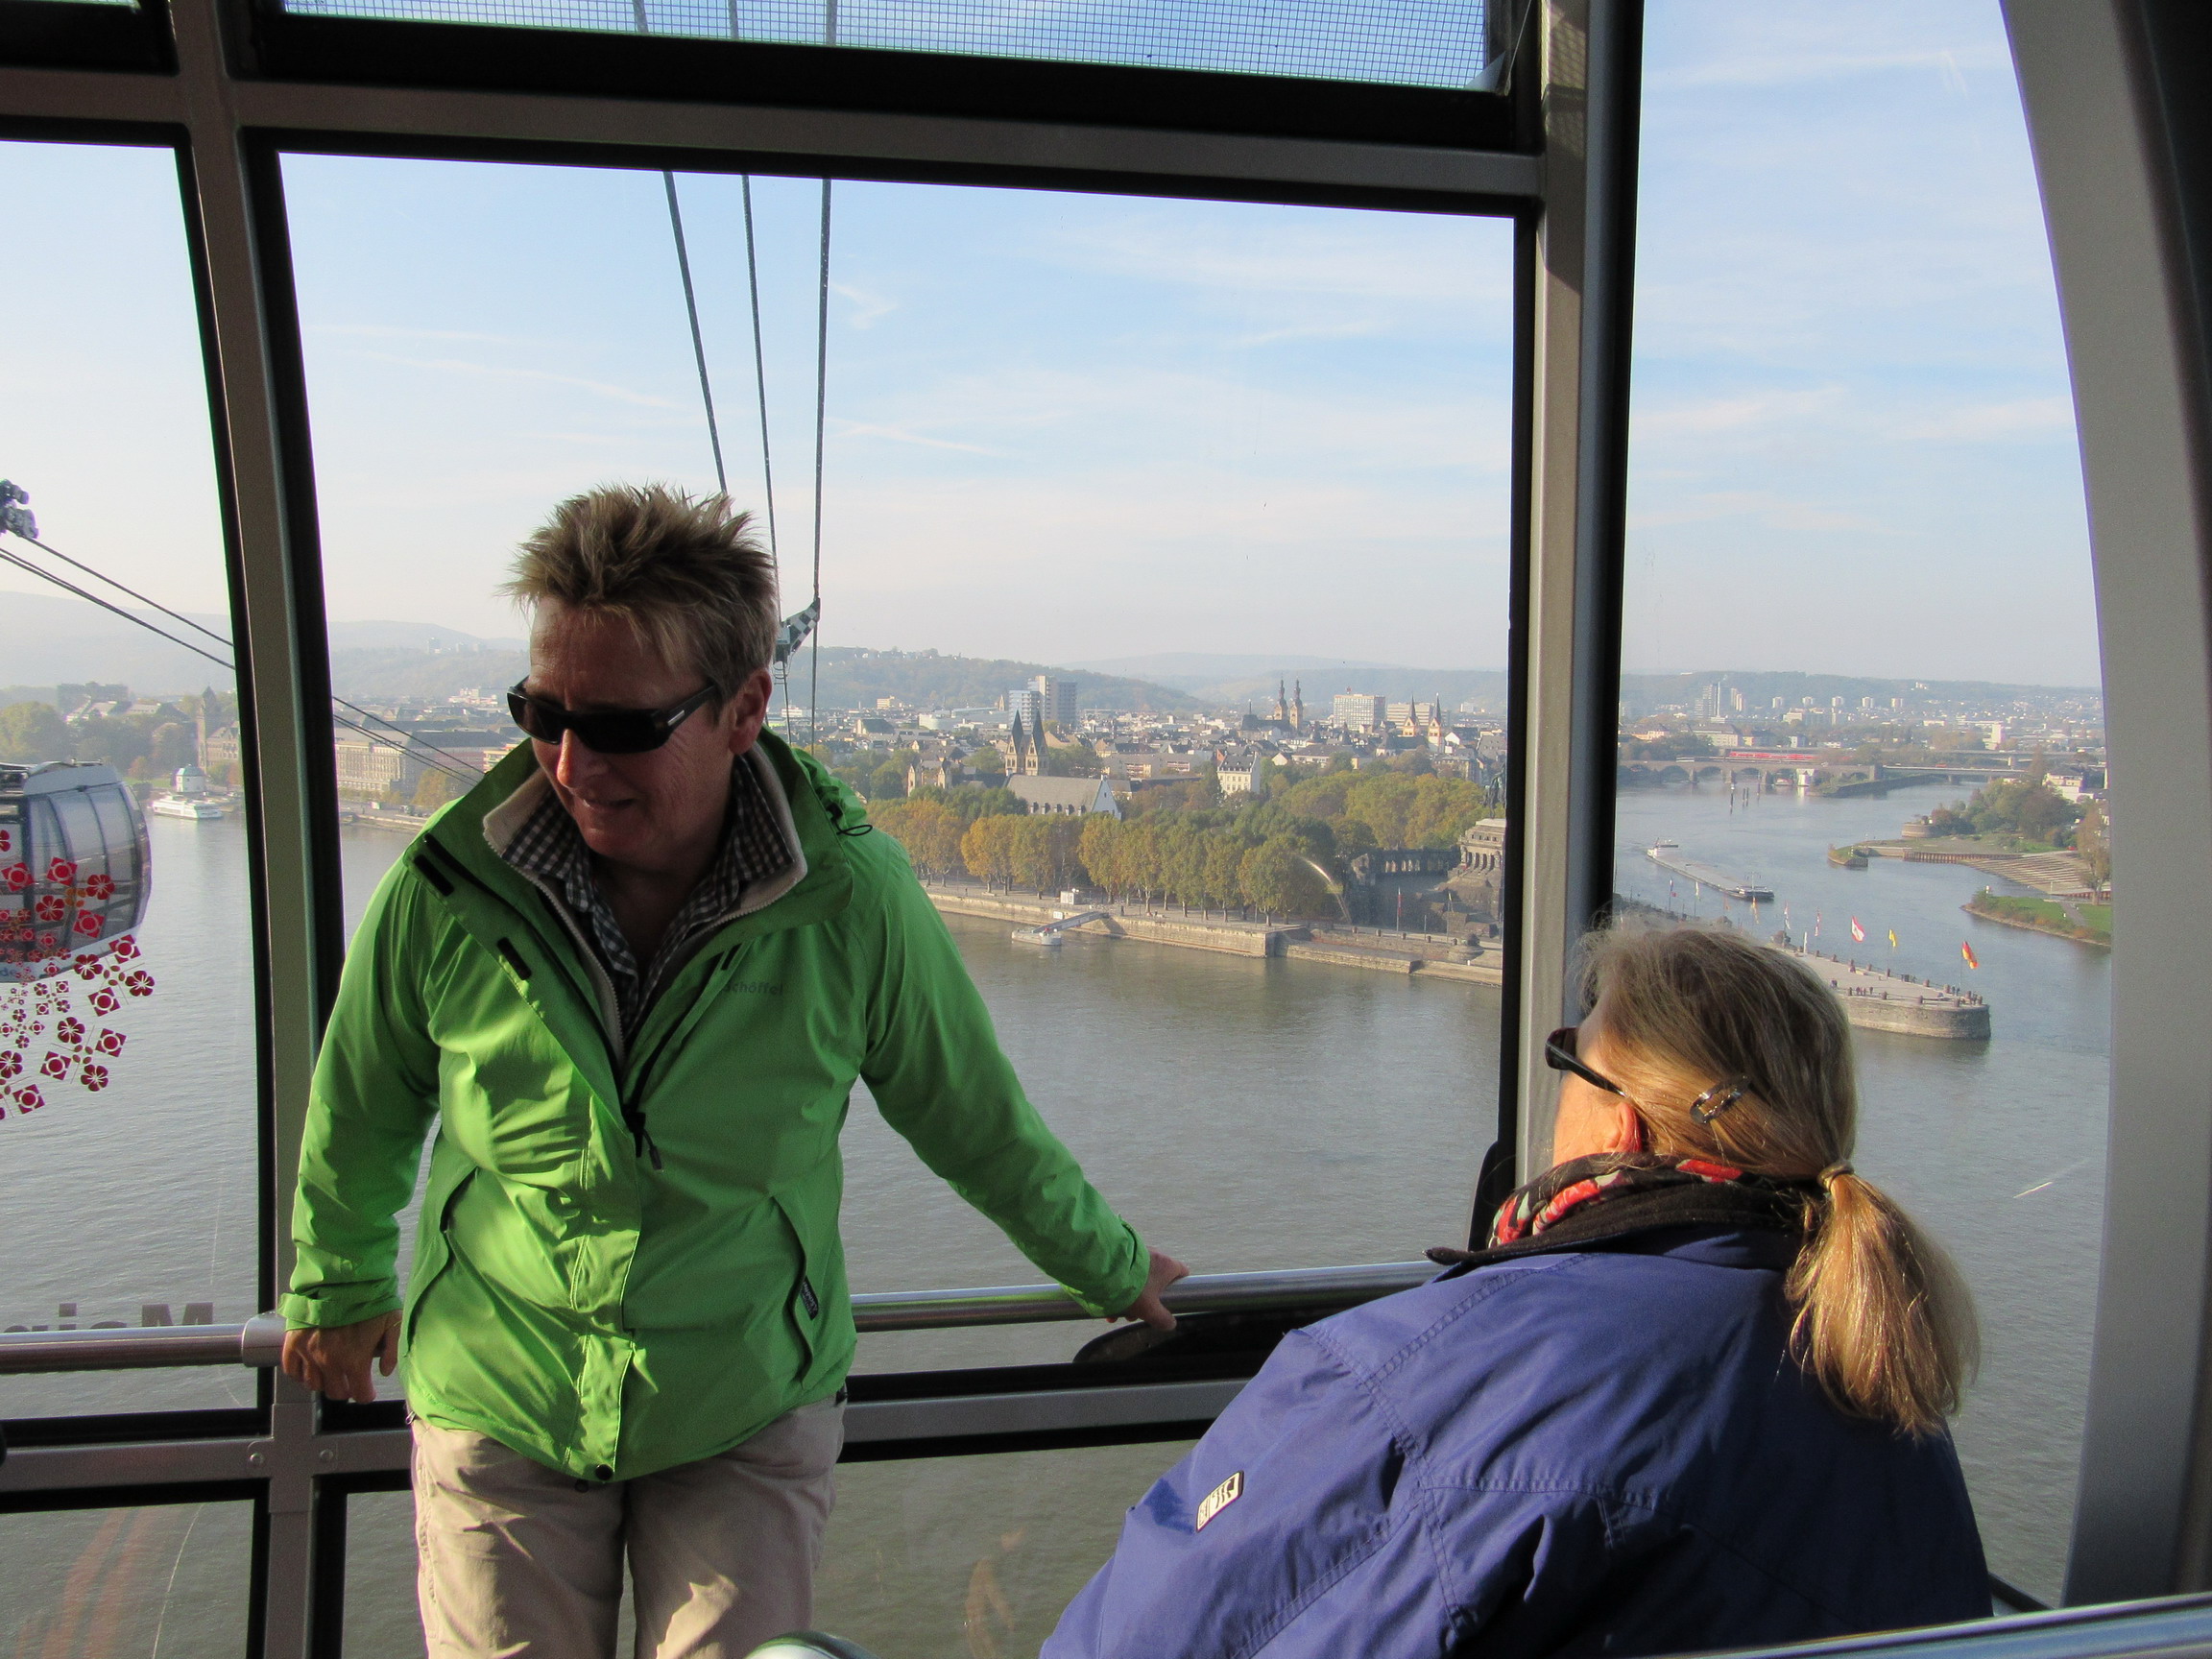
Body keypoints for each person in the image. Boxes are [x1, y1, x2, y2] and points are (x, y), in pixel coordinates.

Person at [279, 484, 1187, 1659]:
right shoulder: (449, 892)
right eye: (538, 713)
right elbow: (361, 1101)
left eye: (618, 727)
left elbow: (973, 1118)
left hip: (743, 1401)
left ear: (745, 710)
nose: (566, 762)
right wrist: (335, 1286)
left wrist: (1105, 1265)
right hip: (502, 1393)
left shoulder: (852, 904)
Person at [1046, 922, 1985, 1659]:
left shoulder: (1416, 1378)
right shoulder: (1887, 1379)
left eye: (1567, 1057)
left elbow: (1160, 1632)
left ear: (1620, 1125)